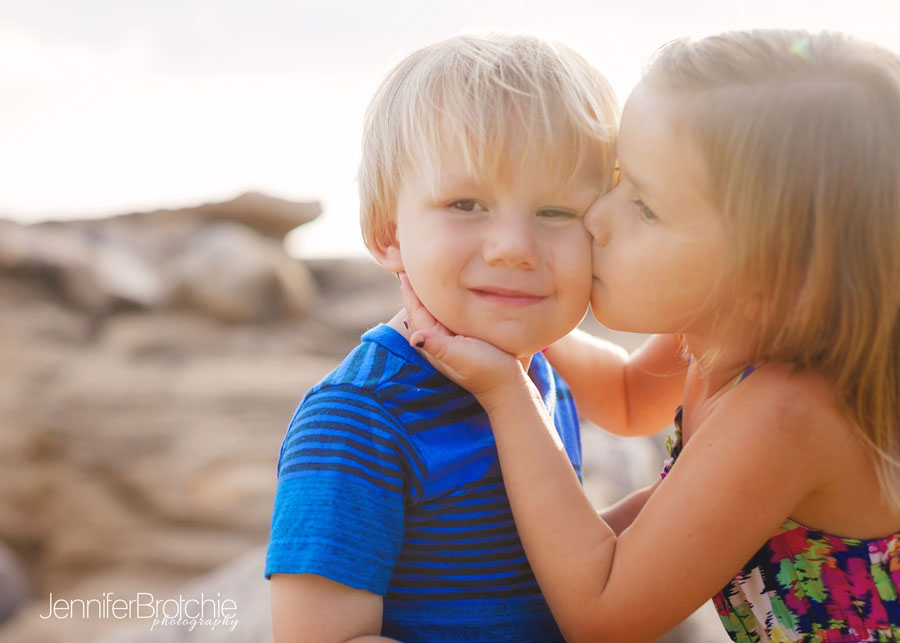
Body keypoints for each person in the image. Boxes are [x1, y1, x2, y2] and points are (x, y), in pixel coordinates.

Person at [401, 29, 900, 643]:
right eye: (616, 180)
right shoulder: (724, 329)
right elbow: (630, 397)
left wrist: (507, 393)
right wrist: (505, 315)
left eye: (645, 207)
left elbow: (604, 615)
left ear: (769, 275)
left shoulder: (789, 411)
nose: (596, 217)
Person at [265, 33, 687, 643]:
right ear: (389, 233)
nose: (513, 247)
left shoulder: (540, 366)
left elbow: (549, 568)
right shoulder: (358, 418)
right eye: (466, 204)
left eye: (556, 212)